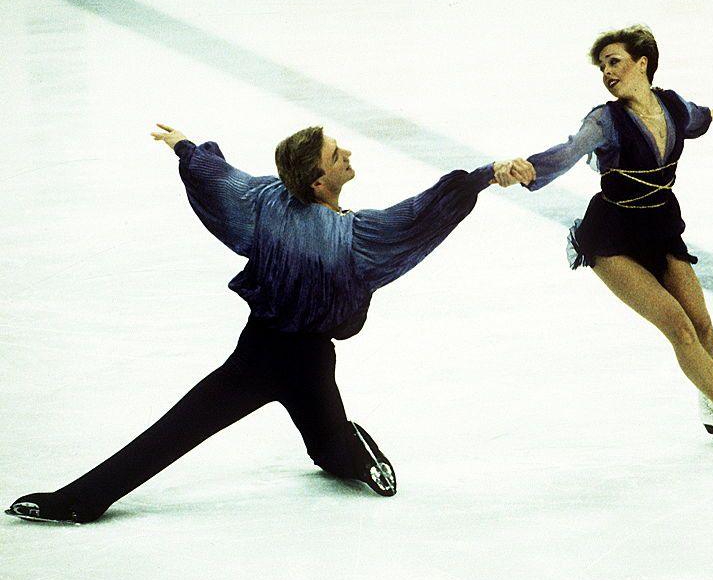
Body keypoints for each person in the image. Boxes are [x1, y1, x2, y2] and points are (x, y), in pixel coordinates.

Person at [7, 124, 525, 524]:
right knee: (180, 429)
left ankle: (355, 450)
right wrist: (483, 176)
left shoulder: (264, 201)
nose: (347, 154)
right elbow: (425, 210)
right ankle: (79, 500)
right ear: (320, 180)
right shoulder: (353, 235)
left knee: (327, 452)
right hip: (264, 357)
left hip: (302, 358)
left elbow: (216, 176)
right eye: (335, 154)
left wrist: (185, 145)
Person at [507, 25, 713, 460]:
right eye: (602, 67)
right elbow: (570, 151)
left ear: (642, 63)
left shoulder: (671, 105)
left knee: (703, 326)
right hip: (612, 235)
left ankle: (711, 408)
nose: (607, 73)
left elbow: (696, 116)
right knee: (678, 327)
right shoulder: (605, 121)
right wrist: (532, 170)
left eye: (614, 62)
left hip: (661, 226)